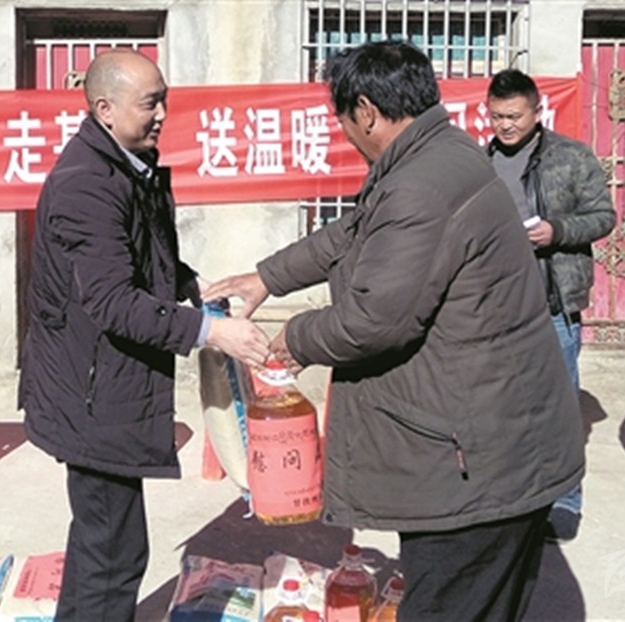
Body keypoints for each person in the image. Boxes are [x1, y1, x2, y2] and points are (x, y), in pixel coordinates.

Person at [205, 41, 584, 620]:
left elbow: (374, 321)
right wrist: (267, 277)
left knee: (449, 604)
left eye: (342, 119)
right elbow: (356, 231)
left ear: (365, 110)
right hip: (499, 447)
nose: (345, 133)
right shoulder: (440, 153)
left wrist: (294, 339)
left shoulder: (420, 184)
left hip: (474, 467)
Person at [18, 49, 270, 620]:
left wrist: (189, 282)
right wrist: (211, 331)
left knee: (102, 542)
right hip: (90, 393)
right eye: (149, 103)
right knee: (114, 553)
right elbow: (112, 301)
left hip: (104, 385)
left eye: (164, 100)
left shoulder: (127, 163)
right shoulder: (87, 184)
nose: (162, 115)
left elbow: (136, 253)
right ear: (105, 109)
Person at [486, 69, 616, 541]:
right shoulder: (480, 162)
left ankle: (563, 502)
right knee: (500, 410)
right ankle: (511, 502)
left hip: (552, 303)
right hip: (495, 308)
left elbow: (603, 217)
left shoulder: (571, 157)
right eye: (497, 116)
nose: (505, 125)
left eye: (514, 116)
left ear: (537, 111)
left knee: (557, 410)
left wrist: (556, 231)